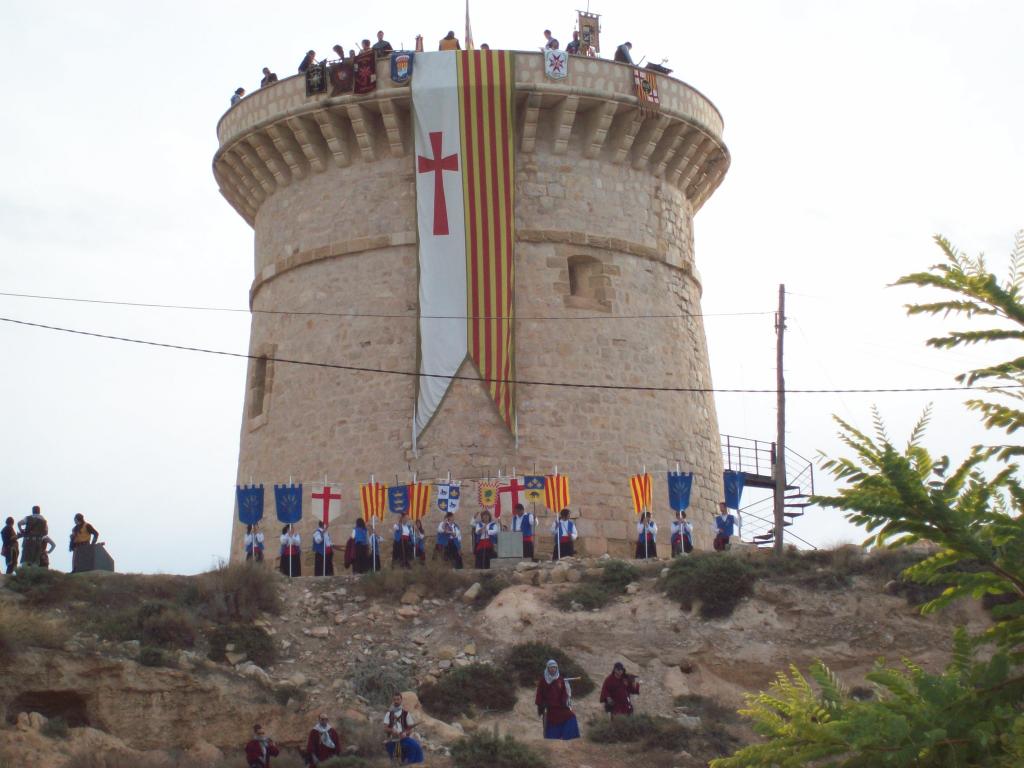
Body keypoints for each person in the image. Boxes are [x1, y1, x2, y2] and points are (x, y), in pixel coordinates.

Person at [535, 660, 580, 740]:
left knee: (571, 716)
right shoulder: (543, 680)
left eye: (554, 667)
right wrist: (541, 705)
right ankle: (551, 739)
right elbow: (539, 694)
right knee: (551, 722)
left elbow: (564, 693)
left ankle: (568, 737)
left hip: (559, 706)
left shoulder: (560, 679)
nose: (553, 669)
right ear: (547, 668)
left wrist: (564, 702)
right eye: (551, 667)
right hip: (548, 707)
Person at [383, 693, 424, 764]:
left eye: (398, 699)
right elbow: (385, 728)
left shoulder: (406, 714)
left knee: (413, 749)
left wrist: (405, 733)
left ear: (401, 700)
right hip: (392, 740)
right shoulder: (388, 714)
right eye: (394, 699)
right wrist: (392, 730)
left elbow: (410, 729)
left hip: (404, 740)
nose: (396, 701)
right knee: (394, 761)